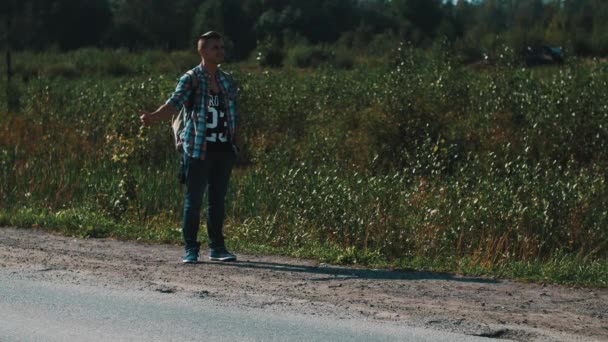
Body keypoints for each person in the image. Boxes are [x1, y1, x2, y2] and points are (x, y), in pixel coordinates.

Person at [139, 31, 239, 264]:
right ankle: (191, 249)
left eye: (222, 48)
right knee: (193, 201)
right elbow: (174, 104)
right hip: (197, 148)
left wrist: (236, 145)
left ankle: (217, 248)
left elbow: (234, 114)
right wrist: (153, 117)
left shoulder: (226, 80)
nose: (221, 52)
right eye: (215, 48)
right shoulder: (191, 78)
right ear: (203, 51)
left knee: (217, 201)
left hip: (223, 148)